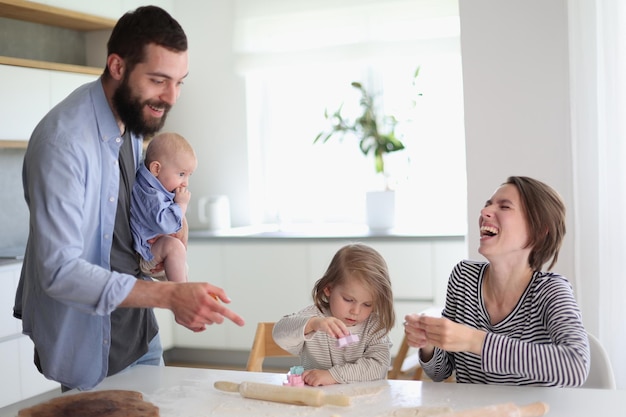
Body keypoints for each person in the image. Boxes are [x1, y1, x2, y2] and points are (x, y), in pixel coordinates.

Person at [13, 6, 244, 391]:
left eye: (179, 82)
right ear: (117, 66)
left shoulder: (132, 125)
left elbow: (121, 224)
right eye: (158, 80)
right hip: (90, 345)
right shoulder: (64, 143)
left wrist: (161, 242)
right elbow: (59, 271)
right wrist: (171, 294)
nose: (171, 97)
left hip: (140, 332)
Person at [404, 176, 590, 387]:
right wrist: (428, 344)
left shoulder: (551, 290)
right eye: (487, 205)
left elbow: (576, 365)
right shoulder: (463, 277)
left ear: (539, 231)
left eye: (505, 206)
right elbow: (441, 371)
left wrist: (475, 341)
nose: (484, 213)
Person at [273, 243, 395, 386]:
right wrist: (313, 324)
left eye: (367, 304)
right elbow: (279, 335)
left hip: (364, 400)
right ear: (329, 289)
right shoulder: (314, 316)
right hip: (316, 399)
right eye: (348, 300)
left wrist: (333, 375)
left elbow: (378, 367)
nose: (355, 311)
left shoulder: (375, 327)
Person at [130, 132, 197, 283]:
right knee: (174, 249)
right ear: (156, 169)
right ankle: (182, 294)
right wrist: (181, 205)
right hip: (145, 253)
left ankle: (185, 294)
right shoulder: (151, 194)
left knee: (181, 263)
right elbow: (166, 224)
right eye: (181, 174)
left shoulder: (156, 186)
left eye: (189, 175)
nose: (185, 182)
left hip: (153, 249)